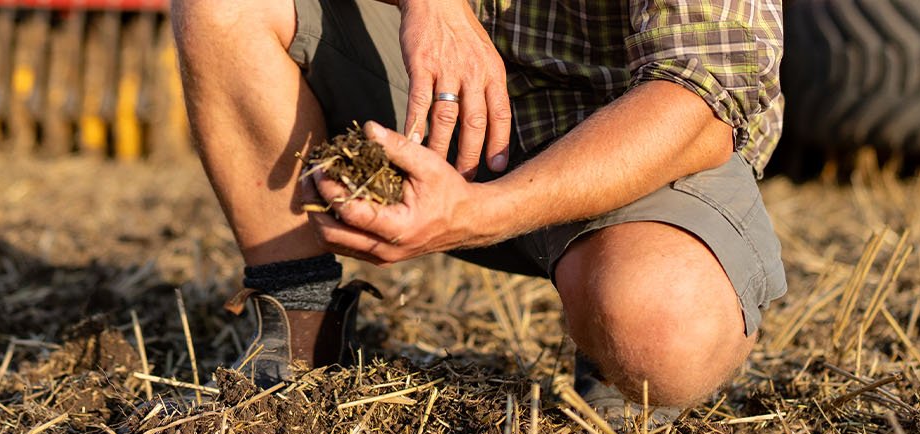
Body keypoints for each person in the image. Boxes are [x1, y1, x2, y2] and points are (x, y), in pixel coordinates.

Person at [173, 0, 787, 409]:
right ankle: (299, 332)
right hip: (434, 89)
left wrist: (478, 213)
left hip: (626, 129)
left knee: (663, 328)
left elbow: (702, 101)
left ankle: (608, 354)